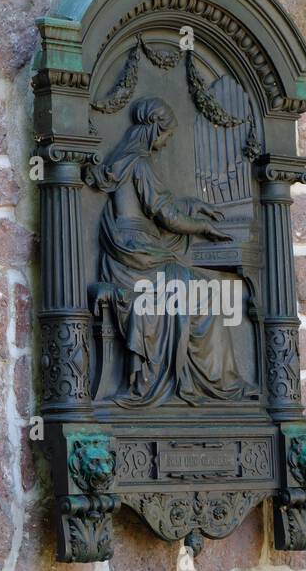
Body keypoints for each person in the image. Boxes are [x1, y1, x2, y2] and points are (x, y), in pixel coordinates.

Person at [92, 97, 256, 407]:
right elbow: (164, 214)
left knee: (202, 290)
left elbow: (153, 209)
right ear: (155, 129)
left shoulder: (126, 160)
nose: (166, 144)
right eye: (167, 135)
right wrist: (202, 228)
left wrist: (194, 206)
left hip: (134, 252)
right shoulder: (140, 162)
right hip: (138, 259)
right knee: (207, 292)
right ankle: (216, 380)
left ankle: (205, 378)